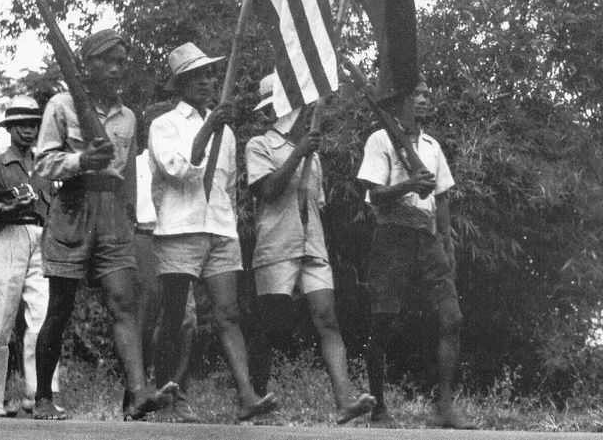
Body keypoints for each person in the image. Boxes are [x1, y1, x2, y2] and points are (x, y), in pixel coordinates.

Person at [32, 29, 174, 421]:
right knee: (60, 307)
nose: (116, 69)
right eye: (107, 61)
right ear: (87, 65)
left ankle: (138, 393)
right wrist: (80, 161)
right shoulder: (62, 105)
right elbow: (43, 163)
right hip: (74, 207)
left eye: (122, 62)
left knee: (124, 303)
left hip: (111, 211)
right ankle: (43, 396)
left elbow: (127, 170)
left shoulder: (128, 116)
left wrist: (127, 214)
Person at [148, 41, 277, 422]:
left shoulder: (228, 132)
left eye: (209, 74)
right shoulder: (164, 124)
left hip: (220, 229)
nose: (207, 81)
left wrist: (230, 227)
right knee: (174, 317)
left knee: (228, 314)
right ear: (181, 83)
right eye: (198, 76)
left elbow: (228, 184)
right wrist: (209, 126)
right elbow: (178, 169)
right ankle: (169, 397)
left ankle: (247, 396)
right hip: (180, 228)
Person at [246, 73, 375, 424]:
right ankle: (256, 402)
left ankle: (345, 401)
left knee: (327, 319)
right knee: (272, 325)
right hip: (277, 244)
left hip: (312, 245)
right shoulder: (259, 145)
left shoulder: (312, 153)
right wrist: (298, 154)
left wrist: (306, 151)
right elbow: (269, 190)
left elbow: (316, 203)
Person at [356, 79, 472, 429]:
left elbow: (442, 197)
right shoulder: (380, 139)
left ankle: (444, 408)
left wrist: (447, 243)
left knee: (452, 317)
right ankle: (378, 409)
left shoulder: (433, 147)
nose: (424, 100)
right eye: (417, 94)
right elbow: (374, 196)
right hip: (392, 234)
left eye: (426, 95)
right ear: (402, 101)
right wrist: (409, 184)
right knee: (383, 321)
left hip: (428, 237)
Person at [0, 95, 59, 417]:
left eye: (33, 124)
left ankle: (40, 394)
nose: (28, 130)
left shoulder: (46, 166)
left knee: (42, 318)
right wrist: (8, 209)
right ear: (9, 128)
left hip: (42, 236)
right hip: (4, 237)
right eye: (21, 124)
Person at [133, 139, 198, 422]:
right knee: (145, 319)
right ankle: (139, 393)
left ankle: (177, 393)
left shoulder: (181, 162)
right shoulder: (134, 164)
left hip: (177, 239)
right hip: (143, 237)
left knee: (186, 319)